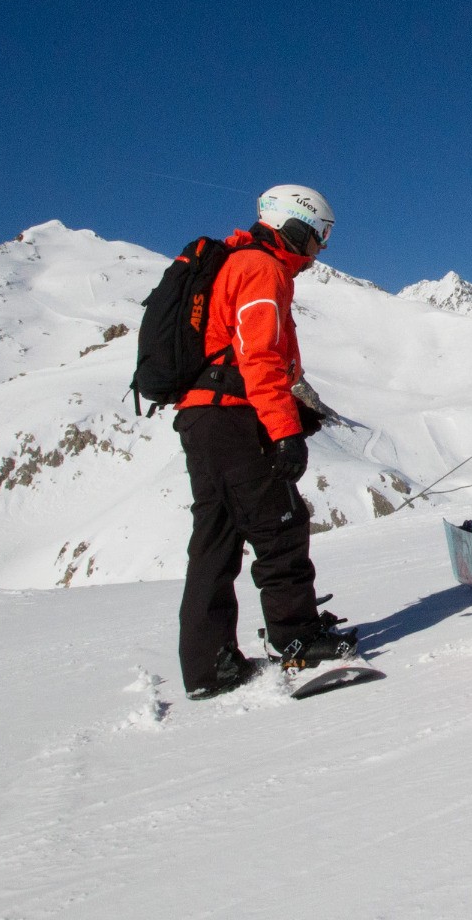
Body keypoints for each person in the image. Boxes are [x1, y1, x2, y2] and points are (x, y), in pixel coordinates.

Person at [173, 185, 354, 700]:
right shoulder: (261, 269)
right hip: (230, 419)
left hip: (204, 417)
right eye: (319, 235)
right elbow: (259, 359)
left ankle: (209, 667)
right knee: (280, 524)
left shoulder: (240, 262)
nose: (320, 249)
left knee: (217, 538)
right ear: (295, 225)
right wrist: (284, 432)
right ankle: (297, 638)